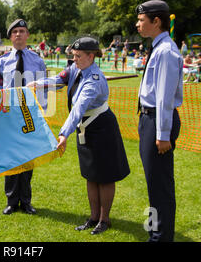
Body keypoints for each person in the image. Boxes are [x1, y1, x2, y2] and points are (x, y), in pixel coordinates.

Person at [28, 37, 130, 235]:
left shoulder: (94, 80)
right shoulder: (77, 69)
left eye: (78, 56)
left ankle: (104, 219)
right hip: (86, 128)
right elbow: (60, 79)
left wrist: (64, 134)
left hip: (101, 128)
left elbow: (78, 108)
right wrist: (39, 83)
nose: (74, 60)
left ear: (91, 56)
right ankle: (93, 217)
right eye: (73, 56)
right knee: (91, 174)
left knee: (105, 176)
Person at [135, 0, 183, 242]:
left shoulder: (166, 51)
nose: (138, 25)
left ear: (156, 21)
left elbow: (164, 97)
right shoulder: (158, 47)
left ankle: (161, 238)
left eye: (142, 20)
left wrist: (162, 135)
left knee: (160, 185)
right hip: (149, 119)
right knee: (154, 183)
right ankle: (155, 233)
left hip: (158, 121)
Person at [0, 19, 46, 216]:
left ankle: (26, 201)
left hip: (30, 115)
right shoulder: (1, 62)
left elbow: (42, 89)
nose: (18, 34)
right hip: (8, 115)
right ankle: (11, 200)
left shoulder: (38, 61)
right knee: (10, 159)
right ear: (10, 36)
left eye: (22, 31)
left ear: (28, 35)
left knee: (27, 158)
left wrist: (42, 114)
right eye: (15, 31)